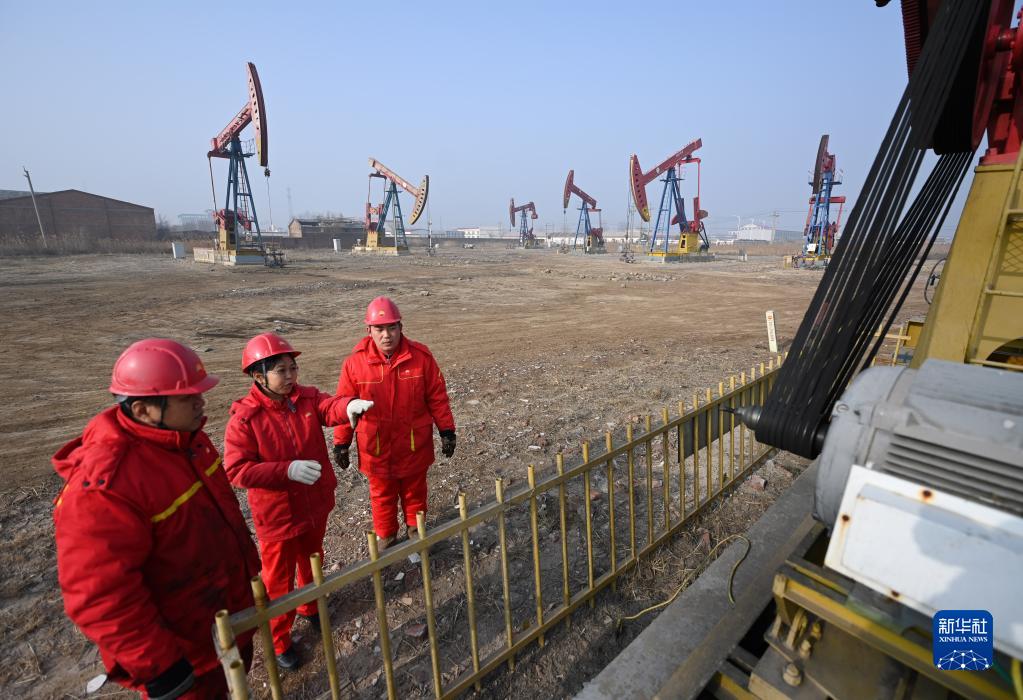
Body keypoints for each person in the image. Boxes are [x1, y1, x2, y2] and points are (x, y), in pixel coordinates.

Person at [53, 338, 261, 699]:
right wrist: (161, 666)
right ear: (144, 409)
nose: (201, 402)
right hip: (186, 658)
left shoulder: (188, 440)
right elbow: (99, 595)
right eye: (187, 397)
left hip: (224, 622)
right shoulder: (105, 488)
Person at [223, 332, 372, 670]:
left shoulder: (305, 399)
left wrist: (348, 405)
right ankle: (279, 639)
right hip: (278, 516)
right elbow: (237, 470)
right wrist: (286, 470)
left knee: (312, 561)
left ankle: (310, 606)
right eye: (281, 370)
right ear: (258, 376)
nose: (291, 376)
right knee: (278, 580)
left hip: (314, 504)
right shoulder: (246, 419)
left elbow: (327, 407)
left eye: (293, 368)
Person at [332, 296, 456, 549]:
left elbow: (437, 398)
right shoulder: (354, 364)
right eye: (379, 329)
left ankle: (416, 530)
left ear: (401, 327)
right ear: (369, 330)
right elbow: (345, 407)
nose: (386, 335)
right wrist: (341, 443)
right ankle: (386, 536)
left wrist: (447, 430)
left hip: (413, 444)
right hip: (376, 447)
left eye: (392, 327)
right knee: (381, 495)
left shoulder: (421, 358)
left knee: (415, 491)